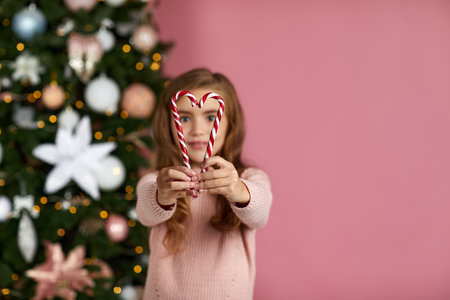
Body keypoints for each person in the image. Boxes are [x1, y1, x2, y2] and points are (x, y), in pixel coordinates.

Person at [136, 68, 272, 300]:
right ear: (169, 124)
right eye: (185, 118)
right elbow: (146, 213)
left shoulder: (249, 178)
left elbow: (259, 214)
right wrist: (163, 196)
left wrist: (238, 190)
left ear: (231, 123)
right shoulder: (158, 180)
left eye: (210, 117)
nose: (198, 131)